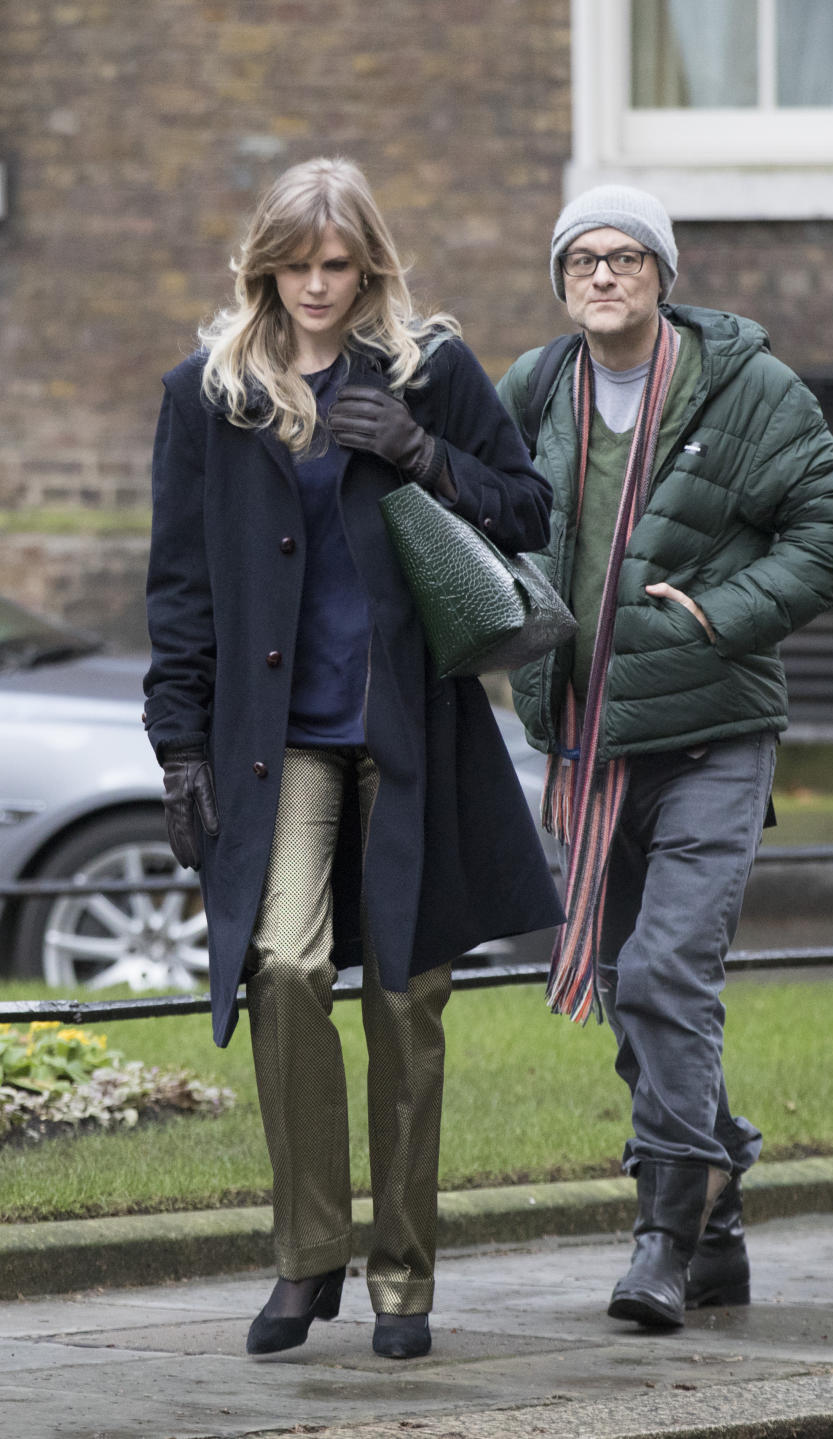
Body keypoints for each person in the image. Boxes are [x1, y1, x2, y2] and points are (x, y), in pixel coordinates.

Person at [143, 156, 563, 1361]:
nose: (317, 286)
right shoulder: (206, 394)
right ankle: (307, 1253)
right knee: (282, 966)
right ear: (263, 262)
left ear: (369, 263)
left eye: (339, 264)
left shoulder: (429, 368)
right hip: (278, 746)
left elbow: (527, 506)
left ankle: (404, 1273)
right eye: (297, 262)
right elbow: (180, 585)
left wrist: (426, 454)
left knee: (406, 994)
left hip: (410, 727)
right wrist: (179, 747)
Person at [498, 185, 833, 1330]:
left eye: (625, 257)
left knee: (666, 975)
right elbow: (481, 514)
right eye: (582, 259)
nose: (603, 275)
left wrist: (719, 611)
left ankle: (661, 1236)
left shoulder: (745, 386)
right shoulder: (533, 388)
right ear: (562, 278)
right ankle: (721, 1206)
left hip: (712, 729)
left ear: (663, 273)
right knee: (625, 987)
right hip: (586, 737)